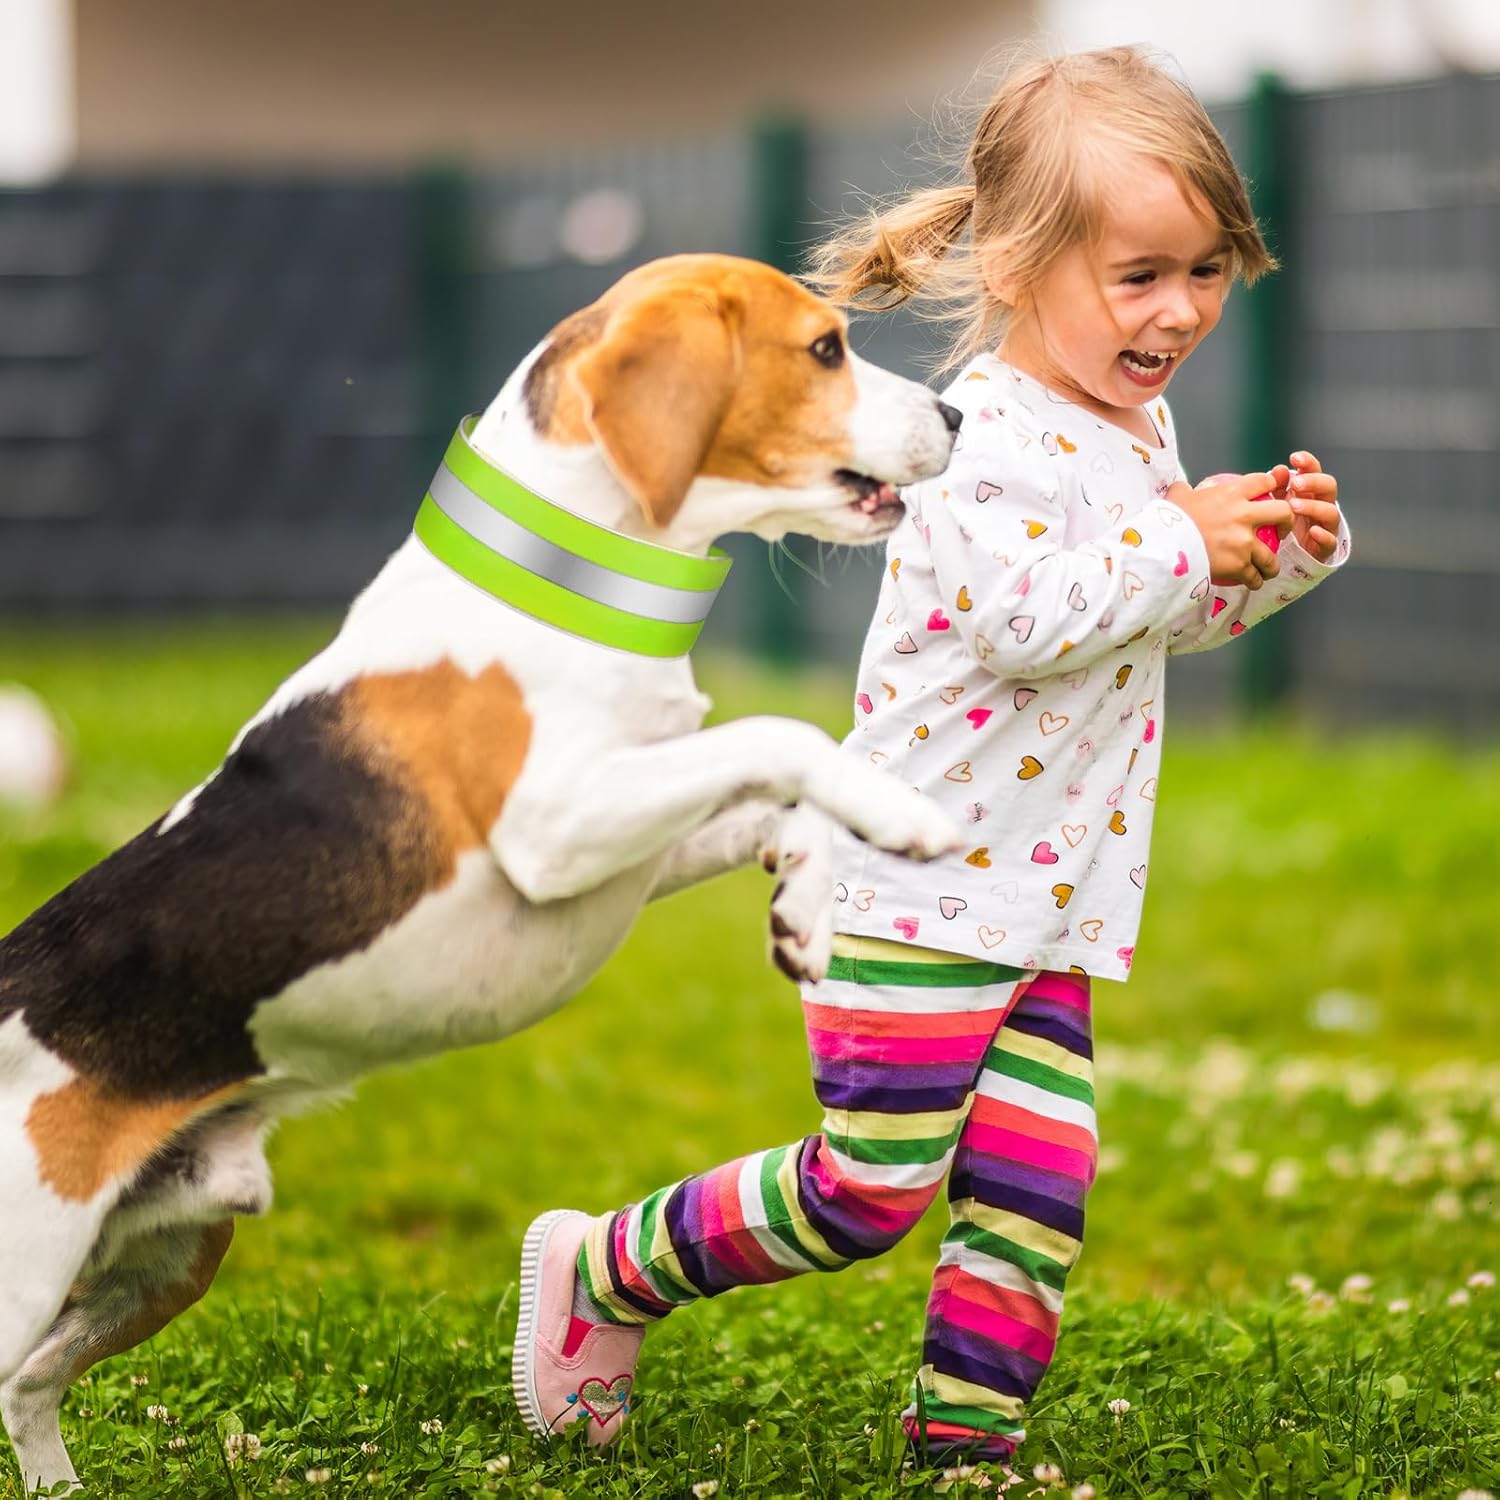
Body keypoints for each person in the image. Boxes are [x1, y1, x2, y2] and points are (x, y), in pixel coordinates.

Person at [510, 43, 1349, 1468]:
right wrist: (1177, 534)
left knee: (1035, 1197)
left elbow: (1138, 622)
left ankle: (965, 1446)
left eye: (1206, 270)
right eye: (1139, 274)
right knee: (868, 1192)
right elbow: (1028, 622)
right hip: (916, 890)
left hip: (1049, 905)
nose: (1181, 308)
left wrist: (1266, 559)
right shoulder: (977, 441)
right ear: (1019, 265)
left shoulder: (1136, 427)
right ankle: (604, 1269)